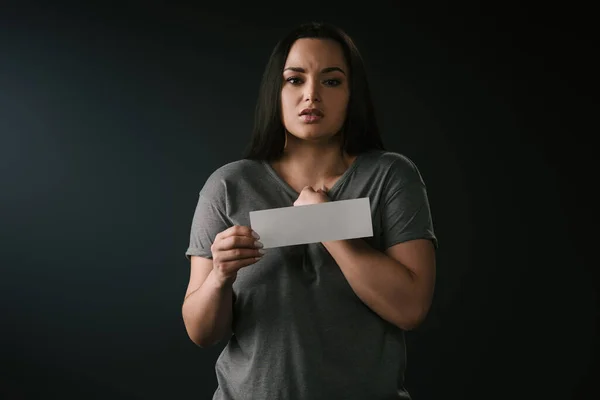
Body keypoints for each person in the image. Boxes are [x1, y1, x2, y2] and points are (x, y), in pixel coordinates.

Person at [182, 21, 438, 400]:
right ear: (276, 90)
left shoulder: (391, 176)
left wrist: (325, 223)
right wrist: (219, 276)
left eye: (331, 81)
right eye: (295, 79)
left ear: (353, 94)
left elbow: (411, 309)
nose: (311, 95)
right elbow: (201, 333)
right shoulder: (228, 185)